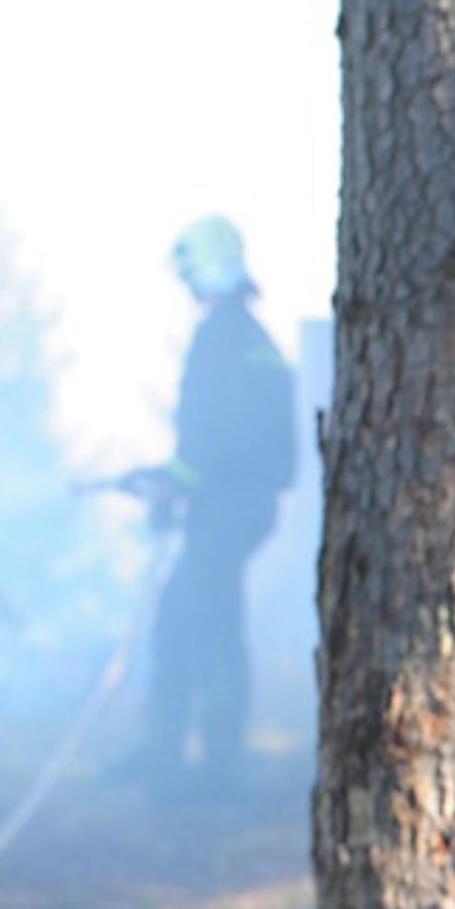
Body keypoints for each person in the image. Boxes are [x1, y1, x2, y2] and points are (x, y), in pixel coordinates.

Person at [131, 215, 297, 797]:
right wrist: (168, 480)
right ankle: (163, 756)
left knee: (211, 630)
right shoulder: (247, 336)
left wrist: (172, 483)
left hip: (225, 510)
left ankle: (217, 770)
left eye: (189, 275)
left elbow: (208, 436)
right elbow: (219, 440)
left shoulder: (222, 339)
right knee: (179, 624)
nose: (186, 287)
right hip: (234, 505)